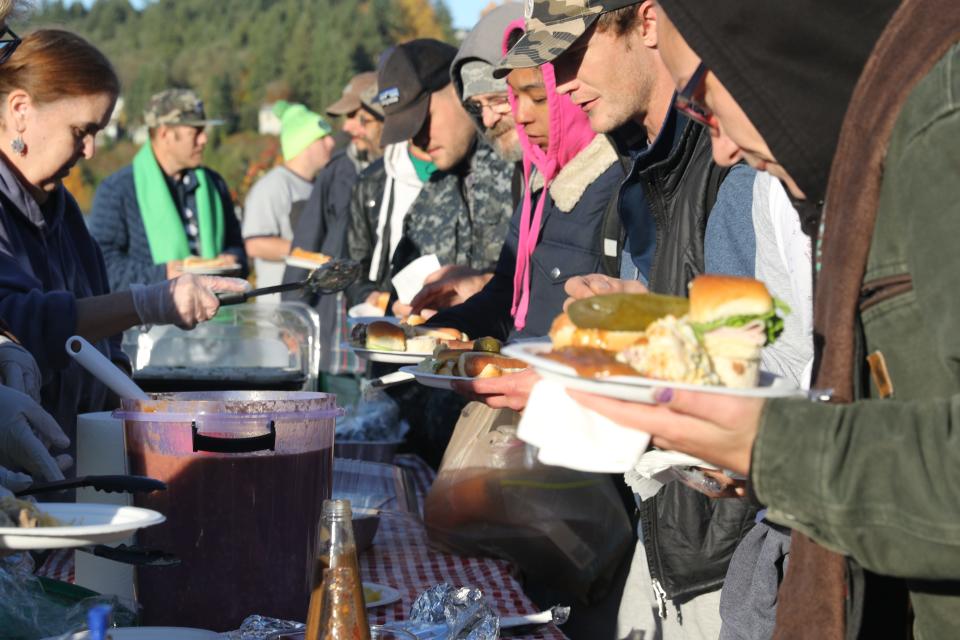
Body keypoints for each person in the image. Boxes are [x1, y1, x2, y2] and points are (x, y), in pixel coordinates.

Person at [572, 0, 960, 638]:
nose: (719, 148)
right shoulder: (846, 176)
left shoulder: (938, 124)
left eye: (703, 100)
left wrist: (769, 446)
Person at [495, 1, 762, 637]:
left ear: (645, 24)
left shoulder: (733, 159)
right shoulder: (643, 164)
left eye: (572, 54)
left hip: (728, 555)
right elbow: (708, 322)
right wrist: (627, 307)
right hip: (664, 528)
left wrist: (581, 373)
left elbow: (760, 356)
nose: (560, 82)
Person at [0, 30, 248, 463]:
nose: (91, 150)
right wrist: (149, 301)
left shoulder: (67, 216)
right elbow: (20, 319)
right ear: (21, 110)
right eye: (81, 131)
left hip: (80, 464)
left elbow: (107, 344)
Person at [424, 19, 622, 341]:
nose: (520, 116)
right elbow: (504, 300)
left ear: (568, 87)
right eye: (515, 98)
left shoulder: (619, 183)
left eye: (538, 98)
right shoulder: (539, 184)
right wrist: (425, 333)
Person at [372, 39, 514, 309]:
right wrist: (398, 306)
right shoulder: (429, 197)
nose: (419, 140)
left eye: (423, 120)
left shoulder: (524, 170)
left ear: (457, 87)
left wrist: (484, 285)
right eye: (409, 131)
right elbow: (398, 289)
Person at [405, 3, 527, 317]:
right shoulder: (521, 171)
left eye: (499, 100)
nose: (487, 119)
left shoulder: (595, 170)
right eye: (476, 106)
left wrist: (481, 285)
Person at [283, 73, 384, 405]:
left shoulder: (404, 173)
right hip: (338, 342)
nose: (348, 127)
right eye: (348, 118)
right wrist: (292, 317)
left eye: (359, 117)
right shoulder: (337, 171)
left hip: (386, 342)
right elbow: (305, 249)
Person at [89, 88, 248, 292]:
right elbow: (102, 268)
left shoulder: (215, 184)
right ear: (165, 134)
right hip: (148, 322)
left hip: (216, 320)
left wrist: (232, 260)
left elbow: (237, 247)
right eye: (195, 132)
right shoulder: (117, 190)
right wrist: (164, 274)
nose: (204, 140)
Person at [242, 100, 334, 301]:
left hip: (310, 306)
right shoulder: (272, 186)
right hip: (280, 312)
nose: (331, 143)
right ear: (304, 143)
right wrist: (312, 252)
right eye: (323, 138)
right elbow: (254, 245)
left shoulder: (320, 185)